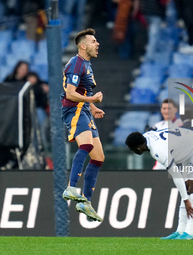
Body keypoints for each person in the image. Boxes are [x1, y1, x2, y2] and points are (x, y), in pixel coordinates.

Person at [125, 127, 193, 240]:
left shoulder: (158, 151)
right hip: (188, 148)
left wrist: (186, 201)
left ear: (138, 148)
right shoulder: (146, 136)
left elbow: (176, 176)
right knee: (186, 188)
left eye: (133, 150)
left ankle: (190, 233)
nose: (133, 152)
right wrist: (185, 197)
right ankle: (181, 231)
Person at [61, 28, 105, 222]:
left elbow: (82, 90)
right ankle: (71, 187)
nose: (98, 44)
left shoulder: (87, 64)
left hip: (85, 109)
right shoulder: (76, 63)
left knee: (98, 157)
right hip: (74, 109)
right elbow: (70, 93)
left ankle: (85, 202)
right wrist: (91, 99)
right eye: (94, 41)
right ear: (83, 45)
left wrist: (92, 106)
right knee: (86, 145)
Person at [152, 98, 182, 169]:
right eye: (164, 108)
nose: (166, 111)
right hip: (160, 166)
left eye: (169, 108)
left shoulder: (181, 125)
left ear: (175, 110)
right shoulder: (157, 126)